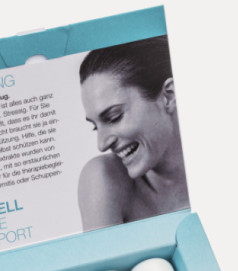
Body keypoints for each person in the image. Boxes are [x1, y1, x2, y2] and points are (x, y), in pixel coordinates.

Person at [78, 36, 190, 232]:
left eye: (114, 117)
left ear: (168, 96)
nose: (102, 144)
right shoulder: (103, 178)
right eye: (95, 126)